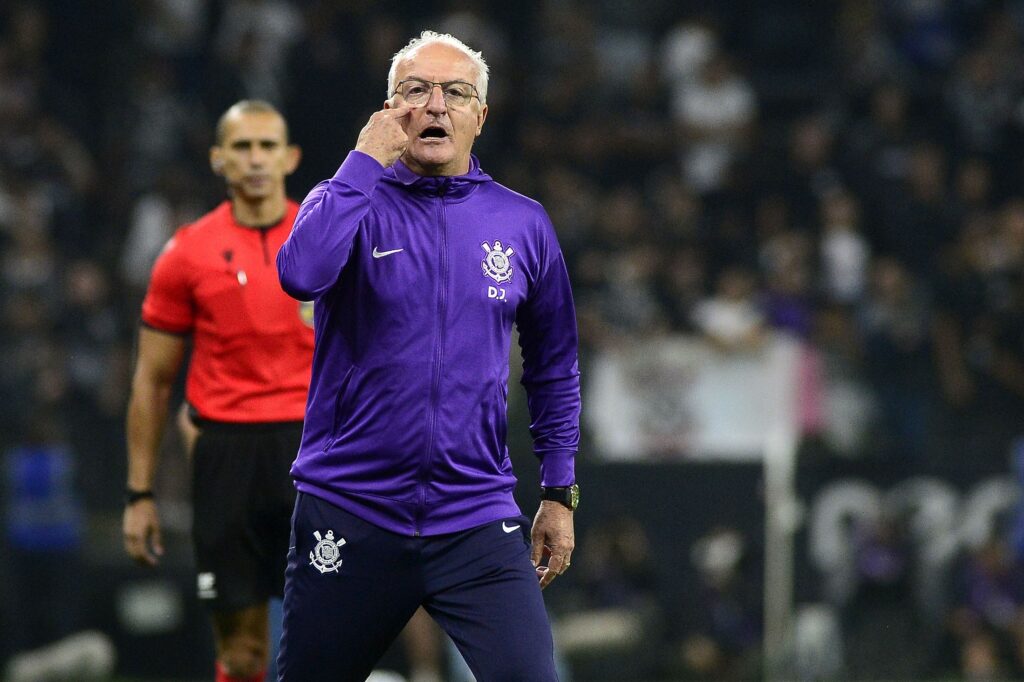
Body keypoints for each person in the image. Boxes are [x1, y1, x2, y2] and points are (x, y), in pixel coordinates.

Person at [275, 30, 581, 681]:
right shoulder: (345, 199)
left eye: (456, 93)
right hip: (351, 507)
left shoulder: (522, 223)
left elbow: (555, 367)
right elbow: (300, 274)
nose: (436, 105)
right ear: (389, 110)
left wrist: (558, 492)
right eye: (415, 91)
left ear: (480, 116)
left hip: (473, 516)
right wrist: (363, 161)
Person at [122, 100, 311, 682]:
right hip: (225, 458)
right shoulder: (185, 254)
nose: (255, 159)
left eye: (267, 146)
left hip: (316, 453)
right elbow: (152, 380)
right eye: (242, 147)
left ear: (290, 157)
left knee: (331, 638)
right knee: (242, 651)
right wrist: (139, 493)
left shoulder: (327, 239)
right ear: (218, 159)